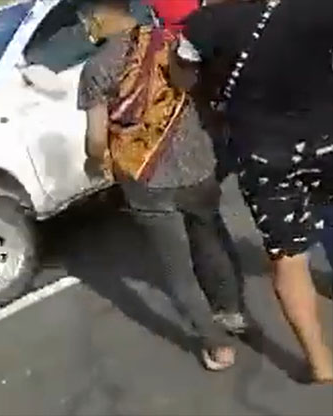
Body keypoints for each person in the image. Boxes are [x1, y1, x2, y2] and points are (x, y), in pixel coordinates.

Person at [175, 0, 333, 383]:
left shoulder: (205, 24)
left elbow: (182, 79)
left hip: (264, 155)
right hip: (328, 137)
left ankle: (321, 362)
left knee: (288, 258)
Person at [77, 0, 240, 371]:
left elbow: (96, 139)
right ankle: (231, 311)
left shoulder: (96, 68)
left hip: (145, 176)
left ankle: (218, 347)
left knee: (176, 267)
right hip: (197, 160)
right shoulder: (170, 42)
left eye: (86, 19)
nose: (85, 27)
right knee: (210, 236)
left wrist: (93, 161)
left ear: (100, 16)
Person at [150, 0, 251, 332]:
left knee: (202, 219)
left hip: (200, 125)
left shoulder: (167, 18)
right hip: (249, 114)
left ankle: (229, 307)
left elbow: (182, 78)